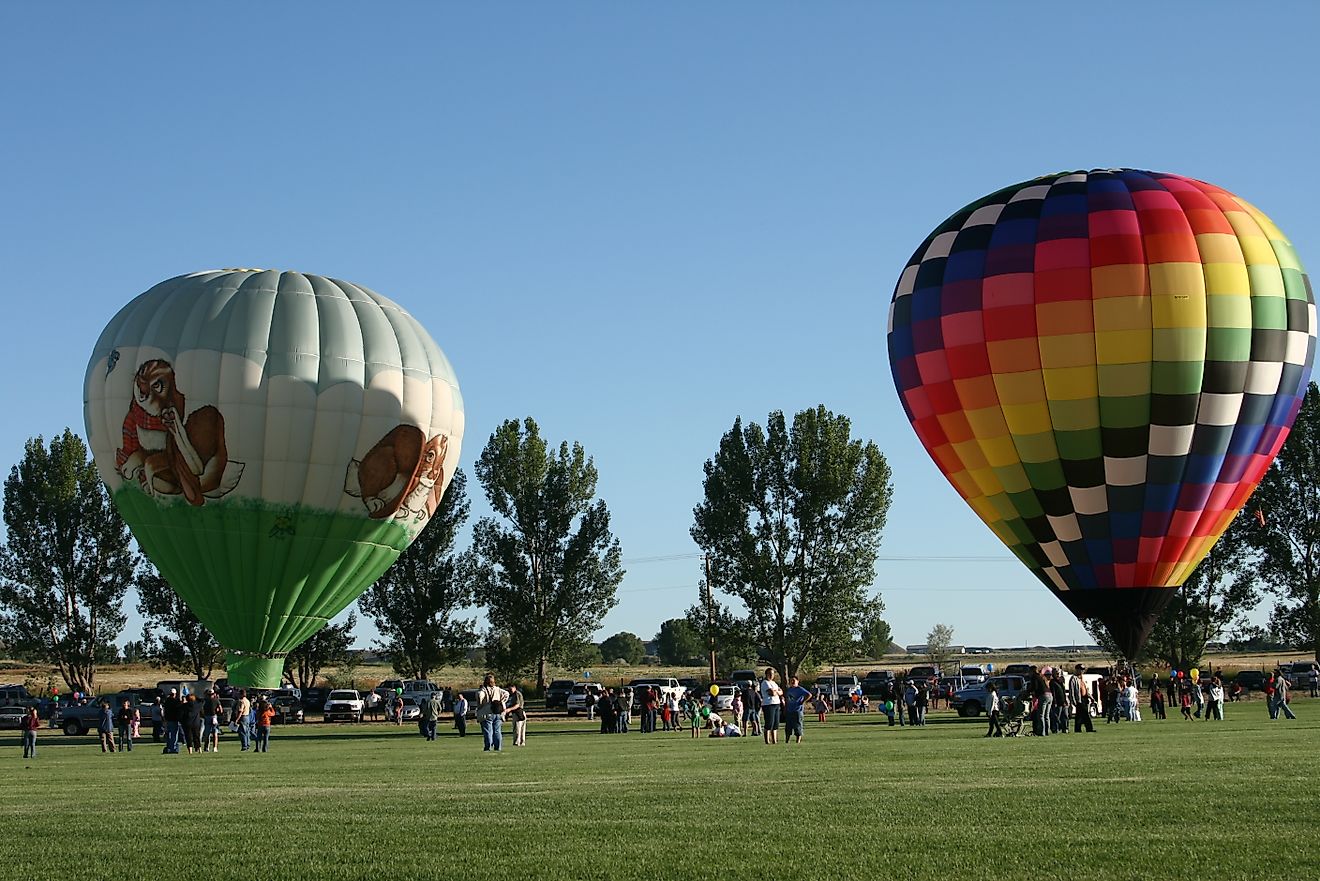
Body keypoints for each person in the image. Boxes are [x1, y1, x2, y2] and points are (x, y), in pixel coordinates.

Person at [476, 673, 509, 752]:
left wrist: (481, 704)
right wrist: (502, 701)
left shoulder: (483, 690)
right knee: (497, 731)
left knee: (488, 731)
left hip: (487, 713)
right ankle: (498, 747)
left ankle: (488, 747)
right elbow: (506, 694)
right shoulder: (497, 689)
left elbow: (480, 695)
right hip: (498, 712)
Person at [783, 676, 812, 744]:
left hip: (797, 710)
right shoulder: (789, 690)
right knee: (788, 727)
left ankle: (798, 741)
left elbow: (809, 695)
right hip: (789, 710)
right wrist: (785, 708)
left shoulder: (800, 689)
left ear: (797, 681)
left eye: (794, 680)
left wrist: (803, 701)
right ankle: (787, 741)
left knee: (798, 726)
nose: (792, 682)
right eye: (791, 680)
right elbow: (787, 700)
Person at [758, 667, 783, 745]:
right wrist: (776, 691)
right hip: (768, 704)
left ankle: (774, 740)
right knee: (769, 723)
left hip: (776, 703)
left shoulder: (774, 683)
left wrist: (776, 691)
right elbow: (771, 693)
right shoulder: (765, 683)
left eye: (773, 674)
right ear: (766, 674)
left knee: (775, 724)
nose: (772, 675)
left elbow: (781, 692)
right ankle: (767, 740)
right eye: (770, 674)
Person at [1070, 666, 1094, 732]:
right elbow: (1071, 690)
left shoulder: (1083, 678)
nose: (1081, 671)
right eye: (1080, 670)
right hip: (1079, 699)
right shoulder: (1073, 679)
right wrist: (1073, 700)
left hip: (1085, 698)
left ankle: (1078, 729)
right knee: (1085, 714)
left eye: (1082, 670)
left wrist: (1090, 697)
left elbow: (1086, 689)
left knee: (1079, 715)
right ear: (1077, 670)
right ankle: (1089, 728)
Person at [162, 688, 183, 754]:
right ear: (175, 694)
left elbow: (164, 711)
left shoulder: (167, 701)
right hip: (174, 719)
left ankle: (169, 747)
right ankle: (173, 748)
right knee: (174, 734)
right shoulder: (176, 701)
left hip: (168, 719)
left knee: (169, 734)